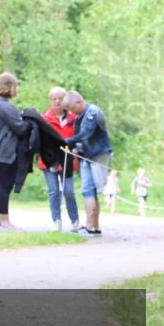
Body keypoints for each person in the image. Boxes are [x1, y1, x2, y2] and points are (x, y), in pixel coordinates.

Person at [64, 91, 112, 235]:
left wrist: (67, 141)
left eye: (72, 108)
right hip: (86, 156)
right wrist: (71, 147)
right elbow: (79, 137)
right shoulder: (80, 115)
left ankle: (91, 227)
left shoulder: (93, 112)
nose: (71, 112)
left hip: (98, 156)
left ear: (79, 102)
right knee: (88, 190)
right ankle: (93, 227)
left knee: (94, 190)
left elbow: (85, 134)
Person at [0, 73, 29, 230]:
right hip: (7, 152)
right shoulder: (6, 106)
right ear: (11, 87)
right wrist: (28, 119)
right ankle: (5, 222)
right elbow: (20, 128)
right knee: (5, 186)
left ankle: (0, 221)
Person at [39, 87, 81, 231]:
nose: (57, 101)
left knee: (68, 191)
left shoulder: (74, 119)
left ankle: (75, 221)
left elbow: (79, 139)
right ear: (50, 100)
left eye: (60, 98)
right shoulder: (43, 118)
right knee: (54, 191)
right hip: (48, 160)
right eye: (54, 98)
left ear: (66, 100)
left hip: (67, 160)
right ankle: (56, 221)